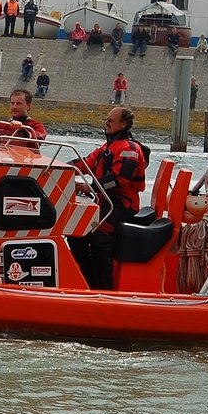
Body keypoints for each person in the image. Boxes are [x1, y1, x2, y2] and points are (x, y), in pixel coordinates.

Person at [69, 106, 150, 290]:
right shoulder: (107, 147)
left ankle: (105, 289)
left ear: (123, 124)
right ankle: (88, 281)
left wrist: (91, 186)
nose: (106, 123)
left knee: (99, 235)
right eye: (107, 119)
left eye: (111, 121)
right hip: (105, 201)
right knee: (76, 233)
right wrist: (59, 168)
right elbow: (86, 163)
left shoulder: (129, 149)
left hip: (122, 204)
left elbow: (120, 180)